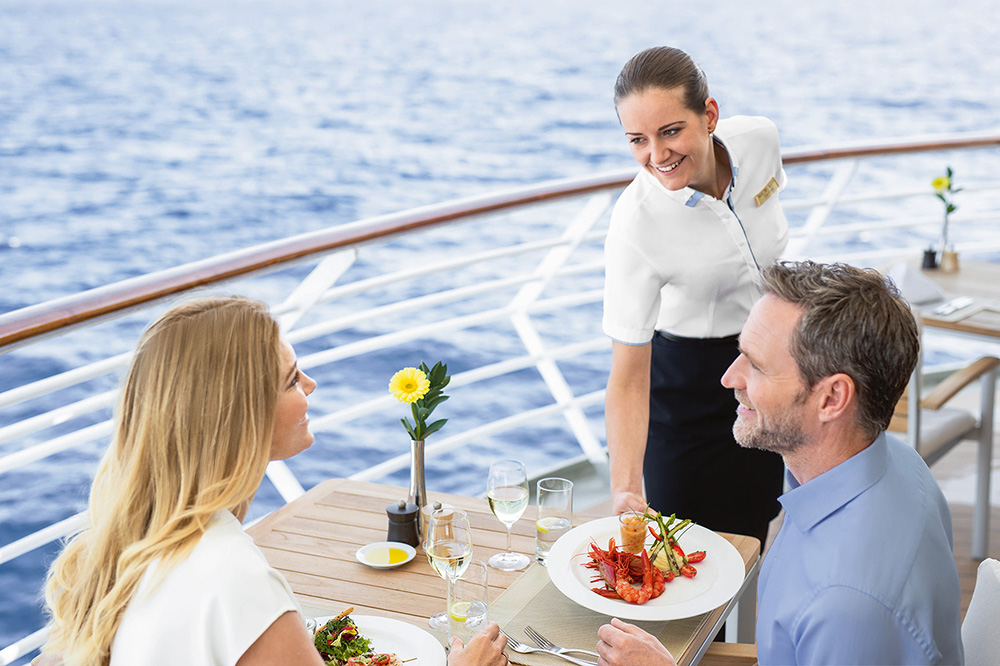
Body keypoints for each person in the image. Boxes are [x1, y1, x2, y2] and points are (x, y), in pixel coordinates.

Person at [36, 297, 508, 666]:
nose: (310, 385)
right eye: (290, 380)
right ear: (240, 417)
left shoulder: (136, 544)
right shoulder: (237, 579)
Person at [596, 261, 964, 666]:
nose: (729, 378)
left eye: (756, 365)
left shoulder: (846, 607)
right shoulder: (900, 463)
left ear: (831, 398)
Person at [603, 46, 788, 544]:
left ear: (709, 115)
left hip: (764, 370)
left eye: (670, 131)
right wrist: (625, 486)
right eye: (638, 140)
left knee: (754, 525)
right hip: (685, 393)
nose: (657, 155)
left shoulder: (760, 141)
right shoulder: (635, 224)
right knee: (682, 550)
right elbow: (628, 377)